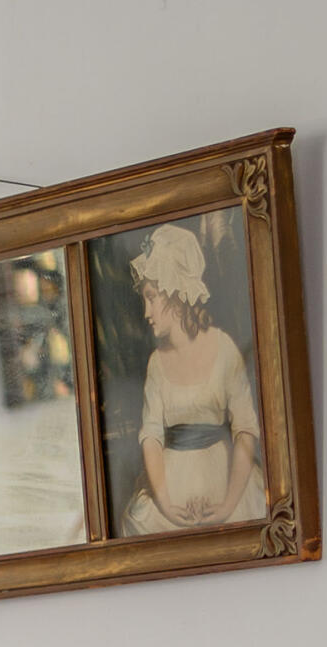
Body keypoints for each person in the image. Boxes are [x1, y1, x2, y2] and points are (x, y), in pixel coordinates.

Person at [120, 222, 264, 534]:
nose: (147, 312)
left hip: (224, 476)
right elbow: (152, 436)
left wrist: (226, 505)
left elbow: (244, 429)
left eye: (152, 297)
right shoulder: (156, 364)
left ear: (175, 293)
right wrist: (167, 505)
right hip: (171, 483)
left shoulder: (224, 348)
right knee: (143, 521)